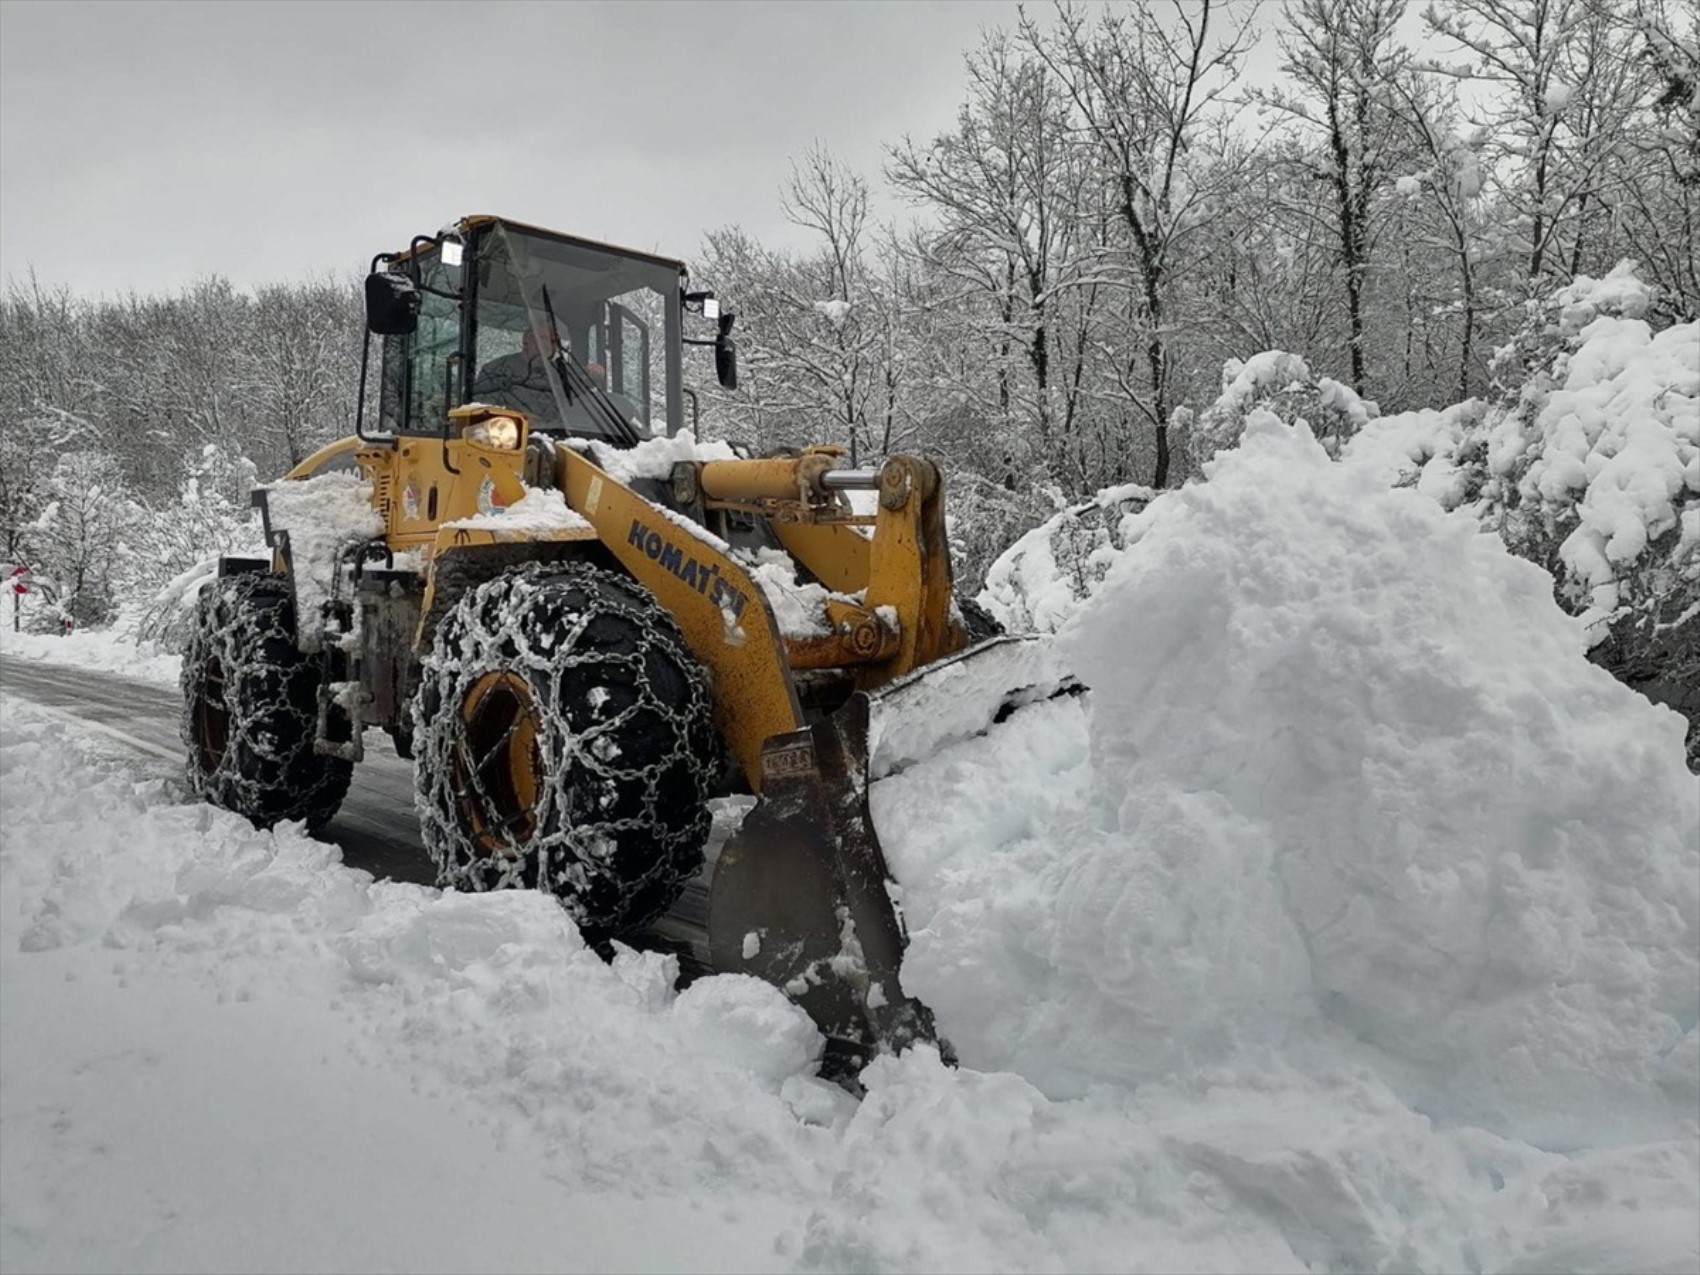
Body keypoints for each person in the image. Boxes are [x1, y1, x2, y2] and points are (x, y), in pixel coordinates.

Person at [472, 324, 560, 425]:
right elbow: (481, 407)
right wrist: (516, 417)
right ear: (526, 342)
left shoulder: (562, 376)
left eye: (554, 341)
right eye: (543, 339)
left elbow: (569, 413)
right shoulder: (497, 369)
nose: (549, 345)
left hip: (559, 436)